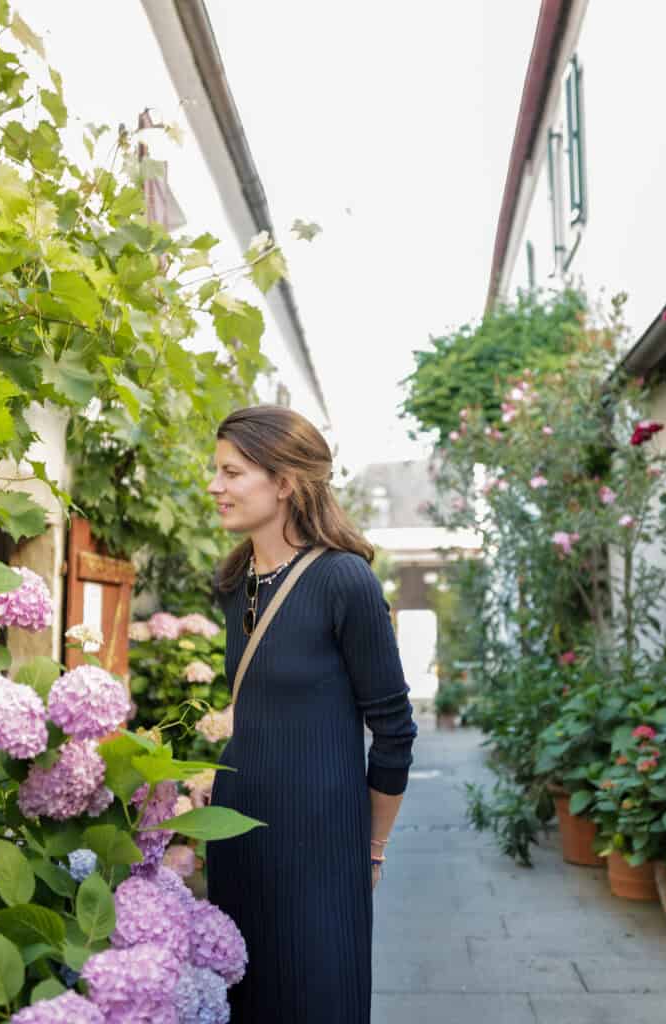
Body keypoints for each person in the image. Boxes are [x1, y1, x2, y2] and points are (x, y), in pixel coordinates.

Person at [205, 404, 418, 1024]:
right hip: (236, 837)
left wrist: (370, 847)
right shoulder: (234, 581)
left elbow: (394, 728)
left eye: (232, 472)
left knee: (317, 1000)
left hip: (320, 847)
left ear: (285, 482)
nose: (216, 486)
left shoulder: (343, 580)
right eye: (217, 471)